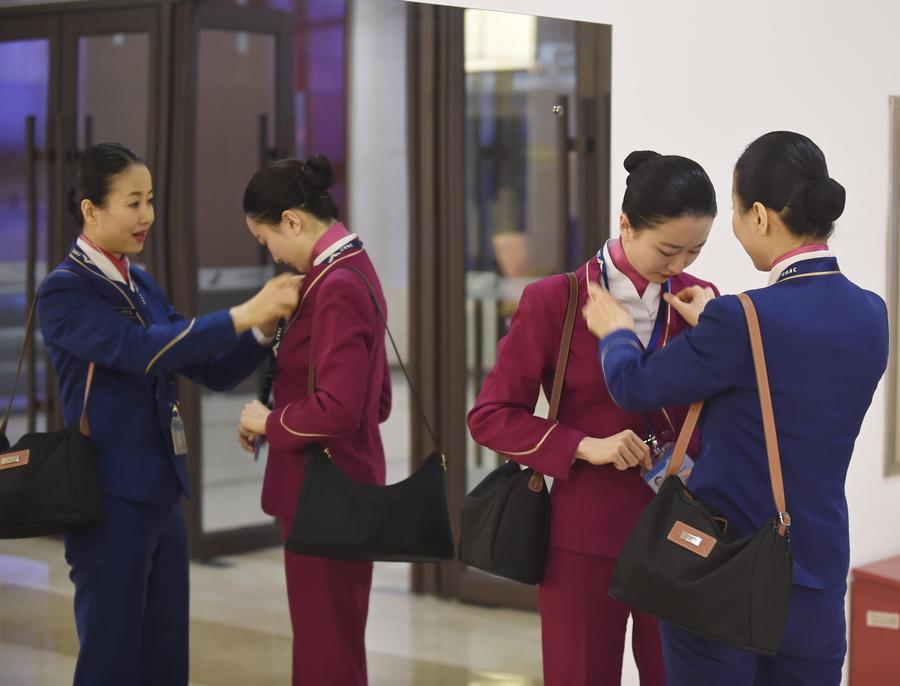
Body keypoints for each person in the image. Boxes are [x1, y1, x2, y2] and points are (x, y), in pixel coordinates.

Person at [583, 131, 888, 686]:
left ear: (760, 216)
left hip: (723, 569)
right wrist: (721, 324)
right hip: (816, 571)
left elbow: (633, 385)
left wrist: (617, 333)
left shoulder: (743, 320)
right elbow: (793, 381)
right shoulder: (873, 314)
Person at [36, 142, 301, 685]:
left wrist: (259, 331)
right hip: (106, 497)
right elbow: (139, 350)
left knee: (165, 659)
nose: (148, 216)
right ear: (91, 210)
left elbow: (211, 368)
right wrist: (240, 312)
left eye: (150, 200)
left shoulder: (142, 283)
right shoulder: (65, 290)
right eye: (133, 202)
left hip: (160, 492)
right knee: (111, 660)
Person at [467, 151, 718, 685]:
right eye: (669, 249)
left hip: (679, 533)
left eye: (695, 249)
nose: (680, 265)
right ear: (625, 226)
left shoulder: (701, 302)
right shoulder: (554, 301)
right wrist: (584, 445)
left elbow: (718, 411)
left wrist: (714, 331)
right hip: (583, 539)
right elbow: (490, 416)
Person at [237, 154, 390, 686]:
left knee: (326, 649)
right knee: (336, 642)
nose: (274, 256)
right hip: (343, 485)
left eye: (267, 241)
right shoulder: (353, 269)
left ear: (293, 221)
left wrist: (270, 421)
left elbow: (341, 407)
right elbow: (379, 401)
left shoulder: (336, 284)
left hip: (323, 494)